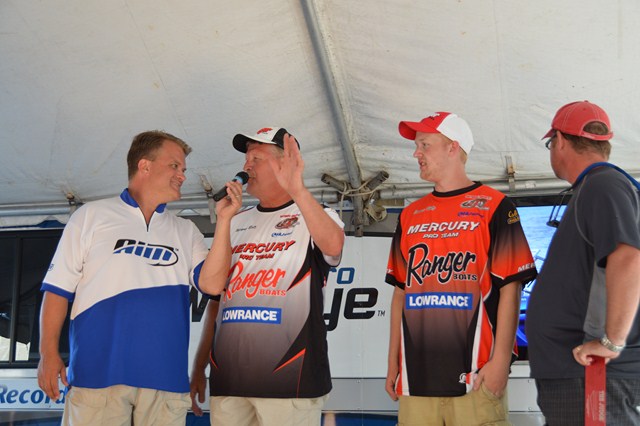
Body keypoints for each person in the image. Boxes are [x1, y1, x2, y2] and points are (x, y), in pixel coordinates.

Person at [37, 130, 243, 425]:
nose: (182, 176)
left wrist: (224, 221)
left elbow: (212, 285)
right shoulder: (90, 216)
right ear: (144, 165)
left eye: (184, 169)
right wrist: (47, 353)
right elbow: (57, 290)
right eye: (175, 166)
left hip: (165, 380)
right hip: (97, 377)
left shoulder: (185, 230)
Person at [385, 112, 538, 425]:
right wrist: (392, 363)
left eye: (424, 145)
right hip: (416, 379)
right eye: (416, 146)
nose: (416, 154)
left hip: (477, 378)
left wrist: (500, 363)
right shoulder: (410, 215)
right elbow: (401, 293)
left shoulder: (496, 206)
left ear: (453, 147)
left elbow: (511, 289)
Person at [189, 127, 345, 426]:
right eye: (246, 159)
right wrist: (199, 367)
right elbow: (214, 297)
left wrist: (298, 190)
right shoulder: (235, 221)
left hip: (290, 381)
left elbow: (334, 246)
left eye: (256, 159)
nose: (246, 166)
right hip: (229, 382)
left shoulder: (316, 214)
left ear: (285, 164)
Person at [526, 101, 640, 425]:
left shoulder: (603, 184)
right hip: (580, 372)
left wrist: (611, 342)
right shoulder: (598, 186)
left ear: (560, 141)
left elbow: (628, 257)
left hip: (592, 373)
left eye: (551, 144)